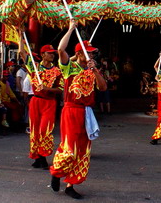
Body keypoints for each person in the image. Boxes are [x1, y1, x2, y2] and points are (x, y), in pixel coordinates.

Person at [50, 20, 107, 200]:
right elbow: (60, 50)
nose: (90, 56)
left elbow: (103, 88)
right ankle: (56, 171)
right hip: (71, 110)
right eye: (87, 53)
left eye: (91, 53)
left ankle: (71, 184)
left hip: (87, 112)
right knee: (70, 149)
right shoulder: (69, 67)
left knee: (83, 150)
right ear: (78, 53)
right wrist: (70, 28)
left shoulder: (92, 70)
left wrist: (95, 71)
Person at [19, 40, 64, 169]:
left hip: (49, 102)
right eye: (49, 53)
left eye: (53, 54)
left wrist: (47, 89)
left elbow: (60, 89)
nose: (52, 55)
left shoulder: (57, 71)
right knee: (35, 130)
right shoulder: (35, 67)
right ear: (43, 54)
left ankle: (43, 156)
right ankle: (37, 156)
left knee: (45, 129)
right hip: (36, 101)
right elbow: (22, 52)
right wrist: (21, 35)